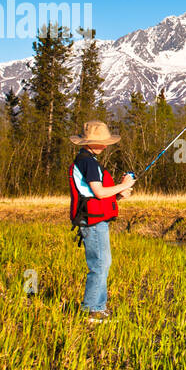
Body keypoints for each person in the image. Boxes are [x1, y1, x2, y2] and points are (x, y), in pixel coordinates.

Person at [68, 121, 134, 323]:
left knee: (103, 264)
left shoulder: (86, 160)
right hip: (93, 222)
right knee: (100, 265)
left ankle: (99, 307)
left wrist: (120, 194)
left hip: (94, 218)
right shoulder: (88, 163)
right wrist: (123, 185)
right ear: (90, 143)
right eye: (102, 142)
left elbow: (94, 195)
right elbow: (99, 192)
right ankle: (91, 310)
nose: (105, 146)